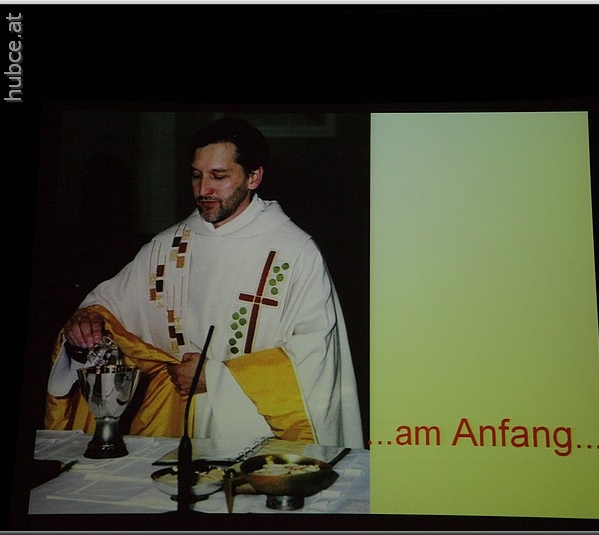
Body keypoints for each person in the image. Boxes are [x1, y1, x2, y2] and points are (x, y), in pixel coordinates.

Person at [44, 116, 365, 449]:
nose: (203, 190)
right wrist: (84, 329)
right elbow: (107, 314)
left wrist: (215, 378)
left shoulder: (295, 252)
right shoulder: (164, 248)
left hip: (255, 433)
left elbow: (315, 357)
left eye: (219, 176)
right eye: (196, 175)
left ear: (253, 177)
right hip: (169, 428)